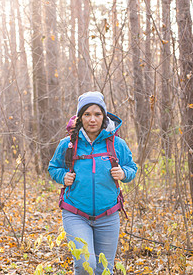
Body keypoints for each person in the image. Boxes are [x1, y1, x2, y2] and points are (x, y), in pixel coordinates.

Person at [48, 91, 137, 274]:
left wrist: (123, 173)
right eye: (87, 114)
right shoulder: (68, 144)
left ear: (104, 116)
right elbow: (53, 167)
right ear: (80, 117)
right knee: (85, 263)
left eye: (97, 114)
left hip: (109, 215)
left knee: (104, 269)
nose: (92, 119)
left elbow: (131, 167)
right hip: (75, 213)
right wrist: (62, 176)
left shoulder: (117, 144)